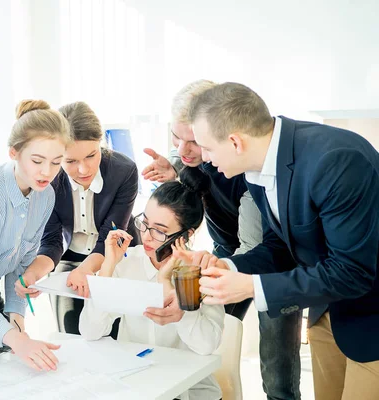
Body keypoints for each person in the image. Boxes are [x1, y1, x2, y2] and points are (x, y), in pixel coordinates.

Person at [189, 82, 379, 400]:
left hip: (373, 316)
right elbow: (281, 248)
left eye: (206, 147)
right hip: (325, 312)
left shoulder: (336, 160)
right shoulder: (259, 167)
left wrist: (252, 288)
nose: (204, 159)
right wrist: (229, 266)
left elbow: (352, 271)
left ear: (235, 142)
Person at [141, 80, 302, 399]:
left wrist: (207, 283)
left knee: (276, 365)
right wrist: (175, 173)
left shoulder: (247, 173)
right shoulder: (190, 158)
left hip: (270, 262)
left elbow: (256, 249)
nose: (183, 149)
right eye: (177, 137)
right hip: (224, 254)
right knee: (207, 340)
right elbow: (192, 175)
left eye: (193, 142)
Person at [0, 99, 71, 372]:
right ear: (13, 153)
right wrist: (17, 340)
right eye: (37, 161)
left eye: (56, 162)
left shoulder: (45, 195)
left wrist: (18, 328)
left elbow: (20, 267)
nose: (47, 172)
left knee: (8, 365)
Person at [79, 180, 223, 400]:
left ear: (185, 235)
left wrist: (169, 283)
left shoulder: (202, 270)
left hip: (189, 391)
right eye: (144, 223)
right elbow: (90, 331)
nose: (145, 236)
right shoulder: (128, 262)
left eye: (159, 231)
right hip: (137, 387)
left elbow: (205, 345)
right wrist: (108, 267)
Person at [29, 101, 139, 334]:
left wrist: (88, 269)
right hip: (68, 258)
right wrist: (33, 273)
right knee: (70, 334)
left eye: (91, 155)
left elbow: (113, 233)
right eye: (70, 161)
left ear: (101, 144)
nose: (83, 170)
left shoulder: (124, 171)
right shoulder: (47, 177)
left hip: (115, 257)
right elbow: (51, 240)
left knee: (113, 334)